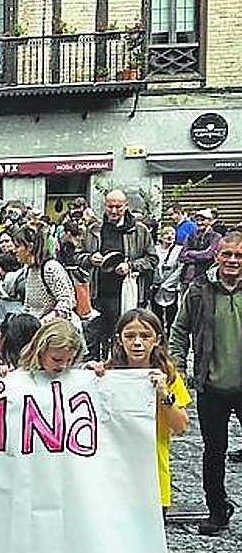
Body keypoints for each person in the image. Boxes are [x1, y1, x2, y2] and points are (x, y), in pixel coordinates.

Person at [170, 231, 242, 535]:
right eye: (227, 254)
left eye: (238, 255)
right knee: (214, 451)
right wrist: (178, 368)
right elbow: (179, 330)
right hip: (211, 386)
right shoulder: (199, 290)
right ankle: (217, 510)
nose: (233, 260)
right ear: (217, 256)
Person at [102, 308, 190, 515]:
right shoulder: (107, 375)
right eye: (130, 336)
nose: (138, 342)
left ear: (157, 340)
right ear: (119, 340)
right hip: (114, 476)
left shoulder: (169, 377)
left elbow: (181, 426)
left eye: (145, 336)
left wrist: (164, 394)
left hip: (154, 477)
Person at [77, 189, 156, 359]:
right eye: (110, 206)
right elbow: (77, 256)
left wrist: (131, 266)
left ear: (126, 206)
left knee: (123, 336)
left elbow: (152, 259)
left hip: (128, 295)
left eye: (118, 207)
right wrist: (91, 258)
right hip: (98, 295)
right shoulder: (94, 229)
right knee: (95, 338)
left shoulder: (139, 230)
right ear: (104, 206)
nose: (114, 211)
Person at [12, 225, 76, 320]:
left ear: (30, 247)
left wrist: (43, 323)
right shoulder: (29, 269)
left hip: (55, 329)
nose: (14, 251)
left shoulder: (50, 267)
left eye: (17, 246)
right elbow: (28, 306)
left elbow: (67, 301)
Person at [18, 319, 85, 375]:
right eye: (56, 359)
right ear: (41, 351)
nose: (63, 366)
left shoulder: (77, 374)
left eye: (69, 360)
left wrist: (88, 369)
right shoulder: (19, 377)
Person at [178, 208, 222, 288]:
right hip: (187, 277)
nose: (199, 222)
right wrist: (200, 256)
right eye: (197, 220)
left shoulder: (216, 236)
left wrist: (190, 253)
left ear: (210, 221)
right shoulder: (190, 236)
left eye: (202, 220)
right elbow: (182, 256)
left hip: (206, 277)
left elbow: (209, 255)